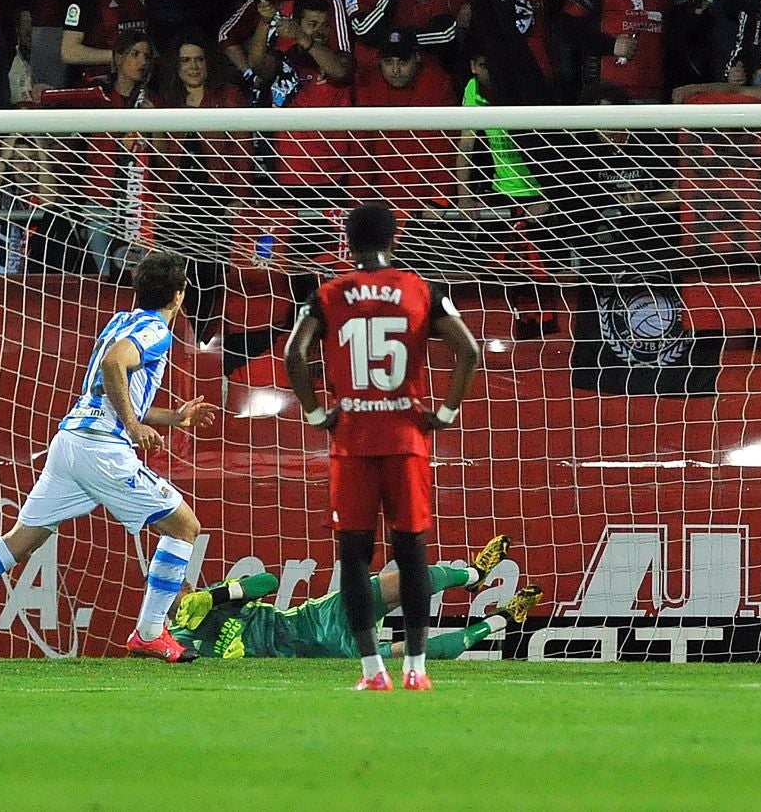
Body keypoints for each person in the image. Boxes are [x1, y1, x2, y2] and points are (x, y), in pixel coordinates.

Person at [0, 252, 220, 663]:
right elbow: (114, 365)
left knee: (22, 539)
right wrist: (133, 428)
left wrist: (173, 417)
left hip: (71, 442)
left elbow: (111, 387)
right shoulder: (155, 331)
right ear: (179, 295)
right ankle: (150, 632)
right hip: (102, 450)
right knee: (184, 526)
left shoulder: (119, 322)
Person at [284, 203, 482, 691]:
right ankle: (416, 669)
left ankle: (373, 671)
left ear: (347, 243)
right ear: (394, 239)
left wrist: (316, 413)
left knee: (354, 556)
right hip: (405, 440)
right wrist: (445, 413)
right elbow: (469, 351)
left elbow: (294, 353)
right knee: (411, 551)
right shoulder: (420, 289)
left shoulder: (328, 295)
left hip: (352, 441)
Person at [169, 537, 543, 661]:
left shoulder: (213, 597)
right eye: (173, 585)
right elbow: (193, 667)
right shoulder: (176, 642)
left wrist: (216, 595)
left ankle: (473, 576)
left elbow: (267, 581)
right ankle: (504, 619)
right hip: (326, 656)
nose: (184, 587)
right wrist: (224, 658)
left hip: (320, 617)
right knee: (417, 650)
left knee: (411, 579)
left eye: (182, 582)